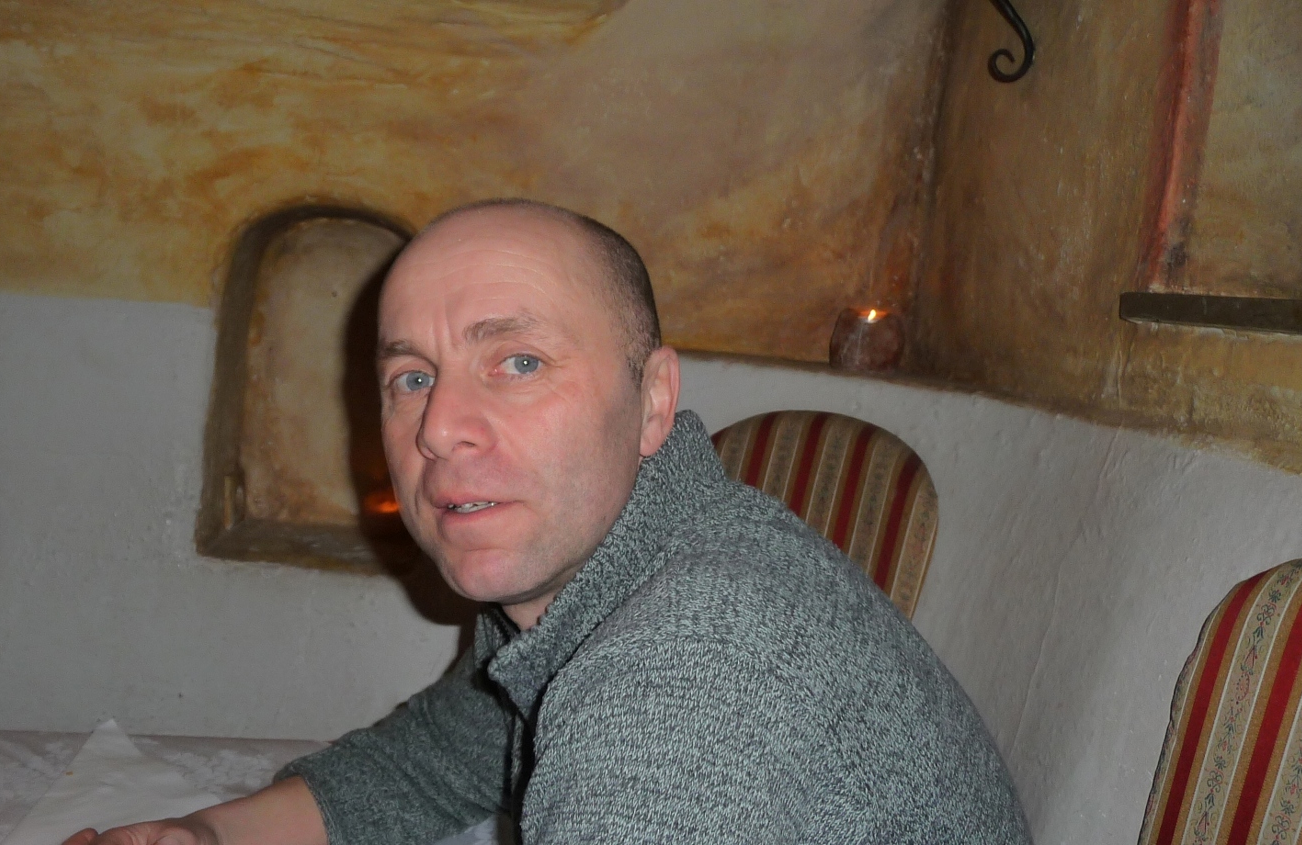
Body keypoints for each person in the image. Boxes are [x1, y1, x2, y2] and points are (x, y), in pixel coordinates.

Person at [65, 199, 1032, 845]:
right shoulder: (589, 576)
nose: (438, 427)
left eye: (518, 362)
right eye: (412, 377)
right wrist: (208, 832)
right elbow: (441, 758)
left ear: (653, 401)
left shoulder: (687, 669)